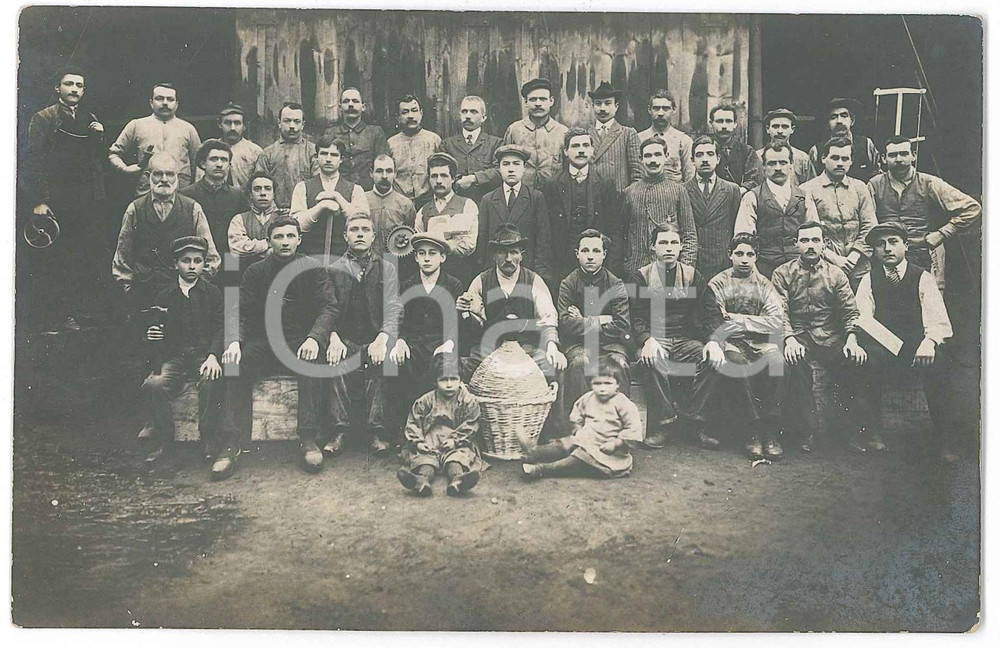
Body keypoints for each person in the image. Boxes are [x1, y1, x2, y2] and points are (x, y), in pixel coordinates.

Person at [218, 217, 337, 475]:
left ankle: (308, 438)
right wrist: (235, 342)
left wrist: (314, 338)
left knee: (312, 363)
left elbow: (328, 307)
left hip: (299, 342)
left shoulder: (313, 269)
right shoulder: (255, 272)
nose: (285, 242)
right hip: (265, 341)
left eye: (290, 236)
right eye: (279, 237)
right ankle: (231, 442)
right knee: (235, 364)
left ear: (299, 239)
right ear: (269, 240)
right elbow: (240, 311)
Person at [854, 221, 957, 461]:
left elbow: (937, 318)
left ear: (906, 246)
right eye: (880, 244)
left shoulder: (922, 277)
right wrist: (891, 345)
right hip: (884, 348)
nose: (887, 249)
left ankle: (944, 439)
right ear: (874, 251)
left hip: (917, 349)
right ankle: (873, 432)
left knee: (941, 362)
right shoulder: (869, 279)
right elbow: (864, 318)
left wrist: (929, 342)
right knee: (868, 359)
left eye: (893, 242)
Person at [685, 233, 785, 460]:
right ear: (730, 255)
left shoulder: (765, 285)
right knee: (736, 363)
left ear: (756, 257)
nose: (744, 259)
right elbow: (716, 320)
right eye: (739, 253)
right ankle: (752, 430)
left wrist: (737, 320)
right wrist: (754, 322)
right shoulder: (718, 283)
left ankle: (770, 431)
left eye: (750, 254)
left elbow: (775, 321)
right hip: (730, 342)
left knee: (778, 362)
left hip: (760, 342)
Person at [23, 66, 108, 330]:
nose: (74, 89)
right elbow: (33, 160)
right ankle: (56, 317)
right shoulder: (43, 118)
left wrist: (99, 136)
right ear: (57, 88)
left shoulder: (89, 118)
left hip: (83, 200)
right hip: (55, 199)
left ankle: (76, 312)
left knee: (80, 255)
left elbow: (96, 160)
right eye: (69, 84)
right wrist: (39, 200)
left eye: (79, 85)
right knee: (56, 259)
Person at [770, 222, 867, 452]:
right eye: (805, 240)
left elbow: (850, 312)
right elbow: (779, 311)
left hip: (828, 336)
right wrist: (789, 339)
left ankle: (848, 431)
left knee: (852, 361)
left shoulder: (836, 274)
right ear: (796, 244)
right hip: (797, 336)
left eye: (816, 240)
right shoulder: (782, 273)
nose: (810, 246)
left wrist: (852, 339)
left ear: (825, 244)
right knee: (792, 364)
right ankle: (806, 432)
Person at [458, 225, 567, 425]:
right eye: (502, 252)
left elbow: (548, 317)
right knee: (461, 368)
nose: (508, 258)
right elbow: (476, 324)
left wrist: (552, 346)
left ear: (521, 255)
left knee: (553, 365)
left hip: (527, 347)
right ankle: (471, 425)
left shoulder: (534, 281)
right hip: (490, 348)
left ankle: (554, 428)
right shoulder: (481, 281)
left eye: (514, 252)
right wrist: (467, 311)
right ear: (494, 255)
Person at [136, 237, 223, 471]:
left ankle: (208, 439)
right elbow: (155, 328)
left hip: (202, 356)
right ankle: (165, 441)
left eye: (198, 261)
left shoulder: (212, 293)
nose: (192, 266)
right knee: (154, 384)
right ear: (176, 264)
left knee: (211, 380)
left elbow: (220, 328)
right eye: (186, 261)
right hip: (174, 357)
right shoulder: (165, 294)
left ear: (204, 264)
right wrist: (151, 335)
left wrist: (213, 356)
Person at [631, 224, 715, 450]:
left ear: (681, 247)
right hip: (655, 338)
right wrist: (647, 339)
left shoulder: (692, 276)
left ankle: (696, 421)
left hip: (686, 339)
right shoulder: (641, 277)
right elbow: (635, 315)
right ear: (652, 247)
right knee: (650, 359)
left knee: (714, 359)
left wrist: (713, 341)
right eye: (663, 243)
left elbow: (709, 312)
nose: (669, 248)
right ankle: (665, 424)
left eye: (674, 243)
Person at [325, 214, 402, 456]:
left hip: (373, 337)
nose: (359, 234)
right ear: (345, 236)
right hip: (344, 338)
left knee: (382, 362)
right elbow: (326, 307)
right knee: (334, 361)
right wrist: (333, 336)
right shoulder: (333, 269)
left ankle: (376, 431)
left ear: (373, 236)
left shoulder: (386, 268)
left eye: (365, 230)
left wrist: (382, 338)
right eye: (354, 229)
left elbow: (393, 308)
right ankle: (339, 430)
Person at [867, 135, 981, 290]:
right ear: (884, 158)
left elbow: (972, 208)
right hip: (886, 254)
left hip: (921, 253)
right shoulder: (874, 184)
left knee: (924, 297)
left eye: (904, 154)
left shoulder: (928, 182)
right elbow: (867, 220)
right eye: (893, 155)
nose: (899, 159)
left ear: (913, 155)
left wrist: (943, 233)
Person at [112, 153, 220, 313]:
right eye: (158, 174)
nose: (164, 179)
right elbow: (122, 257)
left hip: (182, 298)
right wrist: (129, 289)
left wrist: (194, 288)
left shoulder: (193, 209)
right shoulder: (135, 209)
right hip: (143, 295)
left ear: (178, 176)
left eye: (169, 174)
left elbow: (212, 258)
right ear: (148, 176)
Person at [521, 362, 643, 481]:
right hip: (587, 440)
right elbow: (576, 414)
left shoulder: (624, 404)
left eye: (607, 383)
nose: (602, 389)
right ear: (591, 384)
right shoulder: (588, 398)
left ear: (618, 384)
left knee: (575, 460)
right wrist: (577, 428)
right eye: (597, 384)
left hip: (607, 452)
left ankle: (542, 469)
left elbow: (633, 429)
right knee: (565, 443)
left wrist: (616, 443)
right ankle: (535, 452)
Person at [557, 229, 631, 419]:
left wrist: (583, 320)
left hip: (610, 345)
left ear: (604, 254)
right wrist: (603, 320)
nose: (590, 256)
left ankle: (618, 422)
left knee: (619, 364)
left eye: (596, 251)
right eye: (585, 251)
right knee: (579, 363)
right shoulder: (568, 283)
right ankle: (580, 422)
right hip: (578, 345)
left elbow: (622, 325)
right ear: (577, 254)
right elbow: (565, 324)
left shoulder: (615, 284)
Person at [390, 233, 466, 409]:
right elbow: (401, 318)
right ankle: (405, 419)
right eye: (422, 253)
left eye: (432, 253)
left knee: (444, 367)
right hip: (414, 344)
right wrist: (400, 340)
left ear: (442, 257)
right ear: (416, 257)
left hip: (440, 343)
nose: (426, 258)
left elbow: (455, 322)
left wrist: (449, 343)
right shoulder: (407, 284)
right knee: (399, 364)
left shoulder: (453, 285)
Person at [396, 356, 485, 497]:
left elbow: (471, 424)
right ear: (435, 381)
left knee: (456, 458)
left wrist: (456, 441)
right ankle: (421, 480)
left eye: (454, 379)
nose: (449, 384)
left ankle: (458, 479)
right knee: (426, 460)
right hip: (430, 441)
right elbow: (413, 422)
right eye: (443, 380)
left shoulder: (468, 401)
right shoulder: (426, 401)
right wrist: (418, 442)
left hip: (456, 442)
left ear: (461, 380)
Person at [541, 128, 621, 280]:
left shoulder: (605, 185)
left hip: (596, 262)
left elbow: (614, 229)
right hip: (562, 261)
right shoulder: (552, 185)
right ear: (566, 151)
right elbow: (545, 232)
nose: (581, 150)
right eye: (575, 146)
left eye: (585, 146)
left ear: (592, 150)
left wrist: (611, 267)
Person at [801, 137, 878, 288]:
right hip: (823, 264)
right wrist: (836, 259)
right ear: (823, 158)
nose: (840, 163)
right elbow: (811, 230)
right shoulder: (807, 189)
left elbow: (870, 226)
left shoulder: (860, 188)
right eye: (835, 158)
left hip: (859, 264)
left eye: (845, 158)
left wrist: (854, 256)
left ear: (851, 161)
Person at [477, 144, 554, 286]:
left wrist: (540, 274)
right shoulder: (488, 200)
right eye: (506, 164)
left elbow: (543, 240)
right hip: (496, 272)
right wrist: (486, 272)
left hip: (527, 271)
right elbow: (483, 241)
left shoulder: (536, 198)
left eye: (516, 164)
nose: (511, 169)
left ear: (524, 167)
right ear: (499, 168)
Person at [622, 138, 697, 276]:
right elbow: (622, 235)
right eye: (648, 155)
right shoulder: (629, 193)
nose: (653, 160)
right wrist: (627, 265)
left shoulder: (678, 191)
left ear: (666, 156)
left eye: (657, 154)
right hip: (635, 270)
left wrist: (684, 270)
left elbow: (689, 234)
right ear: (641, 159)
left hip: (669, 270)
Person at [109, 82, 201, 195]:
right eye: (159, 98)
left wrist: (194, 191)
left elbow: (199, 163)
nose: (165, 103)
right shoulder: (137, 125)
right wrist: (125, 169)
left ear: (176, 104)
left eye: (170, 99)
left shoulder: (188, 129)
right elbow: (114, 154)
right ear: (151, 103)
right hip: (146, 193)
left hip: (181, 193)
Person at [734, 142, 809, 278]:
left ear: (791, 164)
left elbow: (814, 233)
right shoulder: (752, 197)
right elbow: (743, 239)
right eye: (772, 163)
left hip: (799, 269)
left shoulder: (804, 197)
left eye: (783, 162)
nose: (778, 168)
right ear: (763, 167)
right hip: (764, 269)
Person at [290, 135, 370, 264]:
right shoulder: (302, 187)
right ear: (316, 157)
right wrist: (321, 206)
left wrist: (338, 198)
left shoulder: (356, 189)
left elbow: (361, 222)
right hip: (308, 257)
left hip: (345, 260)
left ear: (341, 159)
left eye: (334, 155)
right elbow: (297, 226)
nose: (328, 159)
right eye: (324, 153)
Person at [415, 152, 481, 285]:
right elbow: (420, 245)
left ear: (453, 178)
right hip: (431, 278)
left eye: (444, 175)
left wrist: (436, 245)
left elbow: (468, 244)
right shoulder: (423, 211)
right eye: (434, 176)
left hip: (461, 274)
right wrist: (451, 241)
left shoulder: (467, 205)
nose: (439, 181)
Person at [684, 135, 742, 280]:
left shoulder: (731, 190)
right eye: (699, 155)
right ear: (692, 160)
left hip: (722, 263)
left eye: (710, 154)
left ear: (718, 159)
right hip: (695, 262)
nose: (705, 159)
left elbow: (737, 229)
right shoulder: (682, 190)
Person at [179, 139, 249, 259]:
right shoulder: (187, 195)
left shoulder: (237, 195)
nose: (219, 164)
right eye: (214, 159)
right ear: (203, 164)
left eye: (224, 160)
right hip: (198, 256)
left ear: (229, 166)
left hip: (230, 256)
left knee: (232, 272)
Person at [502, 77, 569, 189]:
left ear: (551, 101)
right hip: (522, 193)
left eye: (542, 99)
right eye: (533, 99)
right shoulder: (514, 130)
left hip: (554, 193)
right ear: (526, 102)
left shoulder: (562, 132)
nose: (538, 104)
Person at [322, 87, 390, 191]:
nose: (350, 104)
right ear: (340, 108)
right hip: (337, 191)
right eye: (346, 101)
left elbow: (382, 165)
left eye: (355, 101)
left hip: (367, 192)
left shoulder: (375, 132)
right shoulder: (330, 133)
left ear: (363, 107)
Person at [253, 102, 317, 209]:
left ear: (303, 125)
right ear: (279, 123)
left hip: (305, 211)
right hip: (274, 212)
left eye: (297, 121)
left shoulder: (313, 152)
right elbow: (259, 184)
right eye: (287, 121)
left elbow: (317, 184)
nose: (292, 126)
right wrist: (273, 210)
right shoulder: (267, 154)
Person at [439, 95, 503, 202]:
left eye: (473, 112)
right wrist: (458, 181)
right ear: (460, 115)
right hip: (456, 202)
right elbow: (441, 172)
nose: (468, 116)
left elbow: (501, 171)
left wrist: (474, 178)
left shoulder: (496, 143)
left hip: (487, 202)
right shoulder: (447, 144)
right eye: (464, 111)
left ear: (483, 117)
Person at [387, 94, 442, 209]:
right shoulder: (391, 144)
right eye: (405, 112)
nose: (410, 116)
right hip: (399, 203)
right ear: (398, 117)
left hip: (429, 202)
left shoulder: (434, 140)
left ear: (421, 113)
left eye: (414, 110)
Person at [809, 98, 882, 183]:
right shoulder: (817, 151)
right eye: (833, 117)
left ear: (852, 121)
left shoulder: (866, 144)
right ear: (827, 124)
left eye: (844, 116)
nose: (839, 121)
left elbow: (877, 177)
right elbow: (812, 181)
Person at [586, 81, 642, 192]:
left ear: (616, 106)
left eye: (607, 103)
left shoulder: (628, 134)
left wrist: (627, 195)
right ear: (592, 106)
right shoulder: (584, 134)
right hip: (590, 197)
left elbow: (638, 174)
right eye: (598, 104)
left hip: (619, 197)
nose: (602, 108)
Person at [228, 171, 285, 272]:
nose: (262, 193)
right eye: (257, 189)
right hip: (245, 273)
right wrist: (268, 244)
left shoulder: (283, 218)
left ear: (274, 194)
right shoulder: (239, 219)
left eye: (267, 188)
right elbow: (236, 248)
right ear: (250, 194)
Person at [636, 89, 694, 183]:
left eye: (666, 108)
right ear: (649, 110)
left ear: (674, 110)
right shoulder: (638, 139)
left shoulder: (683, 141)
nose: (660, 113)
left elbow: (690, 178)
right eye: (656, 108)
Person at [366, 154, 417, 256]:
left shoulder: (406, 204)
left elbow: (411, 239)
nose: (384, 176)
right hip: (367, 261)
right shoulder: (361, 200)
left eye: (389, 171)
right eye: (379, 171)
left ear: (395, 174)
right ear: (371, 173)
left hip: (395, 261)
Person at [709, 103, 763, 194]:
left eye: (728, 121)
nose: (724, 126)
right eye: (719, 121)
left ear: (735, 124)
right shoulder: (703, 151)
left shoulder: (747, 151)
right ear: (711, 123)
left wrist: (739, 192)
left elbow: (755, 178)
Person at [756, 108, 815, 186]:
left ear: (792, 129)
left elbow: (811, 186)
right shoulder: (757, 157)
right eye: (775, 126)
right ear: (768, 129)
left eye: (785, 127)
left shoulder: (802, 158)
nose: (780, 131)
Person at [217, 102, 262, 190]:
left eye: (237, 123)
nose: (232, 128)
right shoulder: (210, 149)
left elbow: (260, 183)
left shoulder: (255, 151)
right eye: (228, 123)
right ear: (219, 124)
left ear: (244, 126)